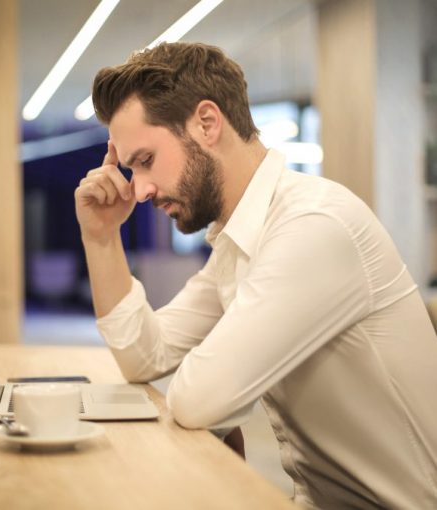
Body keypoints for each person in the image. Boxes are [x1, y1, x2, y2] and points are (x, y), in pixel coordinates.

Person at [74, 42, 437, 509]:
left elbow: (199, 399)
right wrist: (101, 237)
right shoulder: (238, 239)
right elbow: (145, 356)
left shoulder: (314, 226)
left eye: (146, 160)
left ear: (207, 123)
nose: (139, 189)